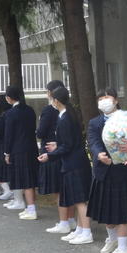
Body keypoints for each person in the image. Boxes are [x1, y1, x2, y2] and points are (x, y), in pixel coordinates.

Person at [85, 88, 127, 253]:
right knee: (106, 209)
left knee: (121, 210)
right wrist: (99, 154)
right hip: (103, 170)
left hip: (123, 169)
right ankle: (112, 239)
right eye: (100, 98)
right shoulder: (95, 122)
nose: (104, 101)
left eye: (107, 97)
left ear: (116, 100)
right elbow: (93, 141)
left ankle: (123, 247)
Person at [38, 86, 93, 241]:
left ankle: (87, 232)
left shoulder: (66, 118)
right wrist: (58, 145)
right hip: (75, 161)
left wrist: (50, 155)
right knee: (77, 199)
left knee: (80, 201)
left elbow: (67, 146)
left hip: (74, 163)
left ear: (56, 101)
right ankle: (80, 229)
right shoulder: (67, 115)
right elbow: (70, 141)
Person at [38, 81, 75, 231]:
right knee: (65, 189)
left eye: (48, 91)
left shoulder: (51, 111)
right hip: (63, 153)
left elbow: (41, 132)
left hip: (54, 152)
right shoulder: (70, 110)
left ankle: (64, 222)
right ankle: (70, 219)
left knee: (59, 190)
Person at [3, 85, 39, 219]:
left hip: (18, 150)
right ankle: (30, 207)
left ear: (9, 98)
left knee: (26, 180)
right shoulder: (30, 110)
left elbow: (9, 135)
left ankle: (31, 209)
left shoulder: (11, 113)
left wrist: (7, 152)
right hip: (32, 148)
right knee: (30, 179)